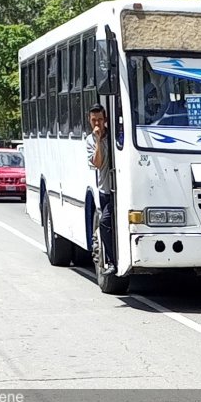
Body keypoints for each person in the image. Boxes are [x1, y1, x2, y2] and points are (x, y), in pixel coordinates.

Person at [86, 103, 116, 276]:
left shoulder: (115, 135)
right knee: (104, 223)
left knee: (107, 222)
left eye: (100, 120)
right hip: (104, 189)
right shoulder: (90, 140)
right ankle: (112, 261)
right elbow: (97, 163)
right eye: (94, 120)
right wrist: (98, 140)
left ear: (105, 119)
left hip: (117, 189)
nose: (97, 124)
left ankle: (114, 261)